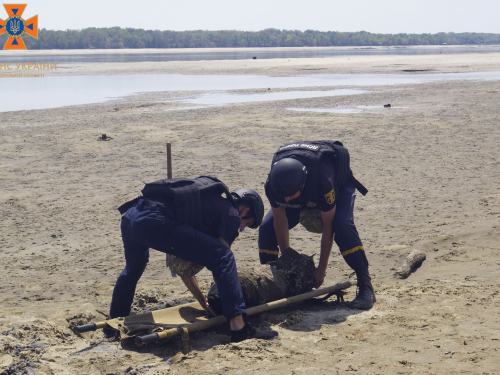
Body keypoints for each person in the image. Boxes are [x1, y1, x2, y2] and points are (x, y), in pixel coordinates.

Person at [109, 176, 277, 342]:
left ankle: (115, 320)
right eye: (247, 224)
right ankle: (239, 328)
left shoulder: (209, 209)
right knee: (224, 257)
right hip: (154, 221)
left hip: (131, 217)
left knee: (133, 268)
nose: (242, 228)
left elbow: (183, 269)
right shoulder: (233, 215)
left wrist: (203, 301)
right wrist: (226, 304)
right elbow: (222, 264)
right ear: (245, 211)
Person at [258, 141, 376, 309]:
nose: (286, 201)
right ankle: (271, 284)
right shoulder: (273, 185)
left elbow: (328, 228)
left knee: (342, 225)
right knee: (266, 229)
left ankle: (366, 287)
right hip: (300, 193)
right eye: (283, 197)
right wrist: (288, 259)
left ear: (303, 184)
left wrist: (321, 269)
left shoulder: (324, 182)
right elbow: (280, 220)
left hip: (339, 187)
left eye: (290, 196)